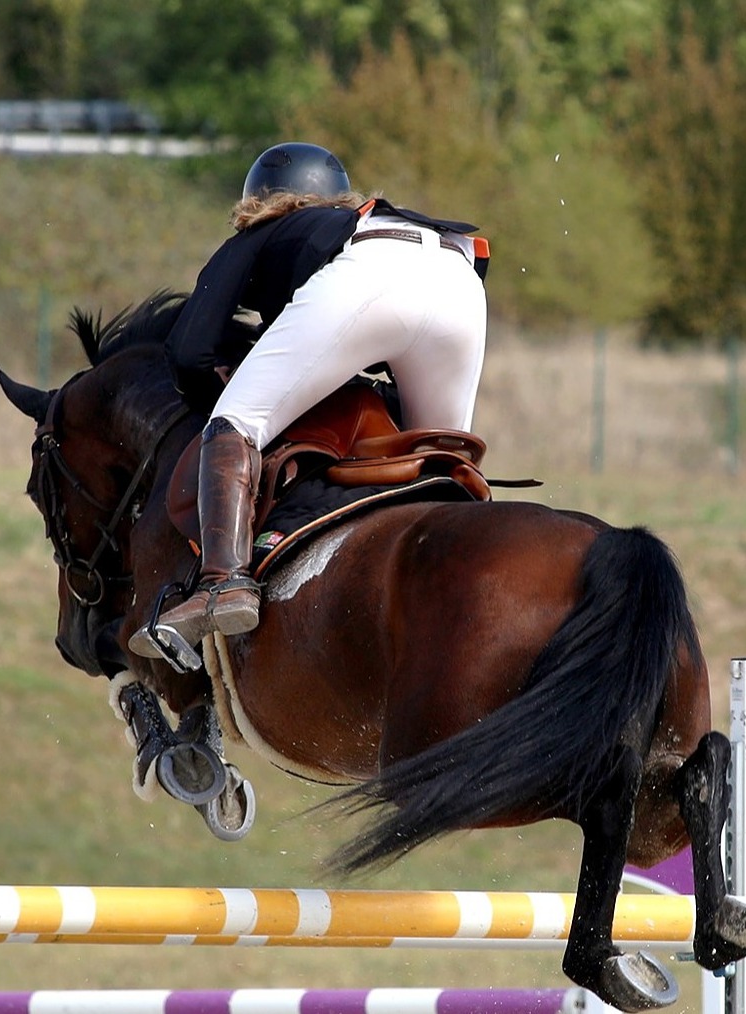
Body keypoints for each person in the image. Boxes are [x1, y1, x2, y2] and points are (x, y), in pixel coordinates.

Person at [130, 141, 488, 659]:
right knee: (433, 455)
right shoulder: (354, 219)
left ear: (257, 202)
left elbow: (187, 352)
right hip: (459, 275)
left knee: (237, 420)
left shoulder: (261, 231)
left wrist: (227, 412)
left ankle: (222, 583)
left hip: (370, 273)